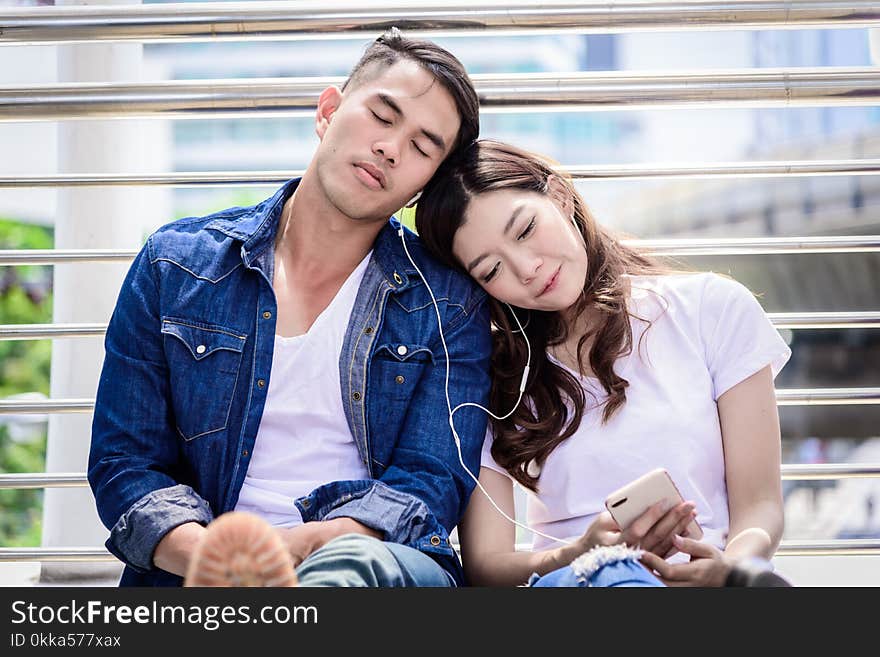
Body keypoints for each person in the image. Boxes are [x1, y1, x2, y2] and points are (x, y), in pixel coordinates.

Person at [88, 29, 493, 588]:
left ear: (426, 183)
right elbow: (125, 463)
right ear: (329, 110)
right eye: (382, 115)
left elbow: (430, 480)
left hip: (373, 566)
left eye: (423, 147)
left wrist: (301, 549)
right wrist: (215, 560)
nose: (391, 148)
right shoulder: (174, 266)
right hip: (198, 569)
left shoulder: (449, 303)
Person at [415, 139, 792, 587]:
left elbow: (760, 506)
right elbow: (486, 563)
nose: (526, 268)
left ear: (558, 196)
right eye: (491, 270)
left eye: (524, 230)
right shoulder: (492, 376)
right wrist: (580, 553)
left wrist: (730, 566)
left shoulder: (712, 309)